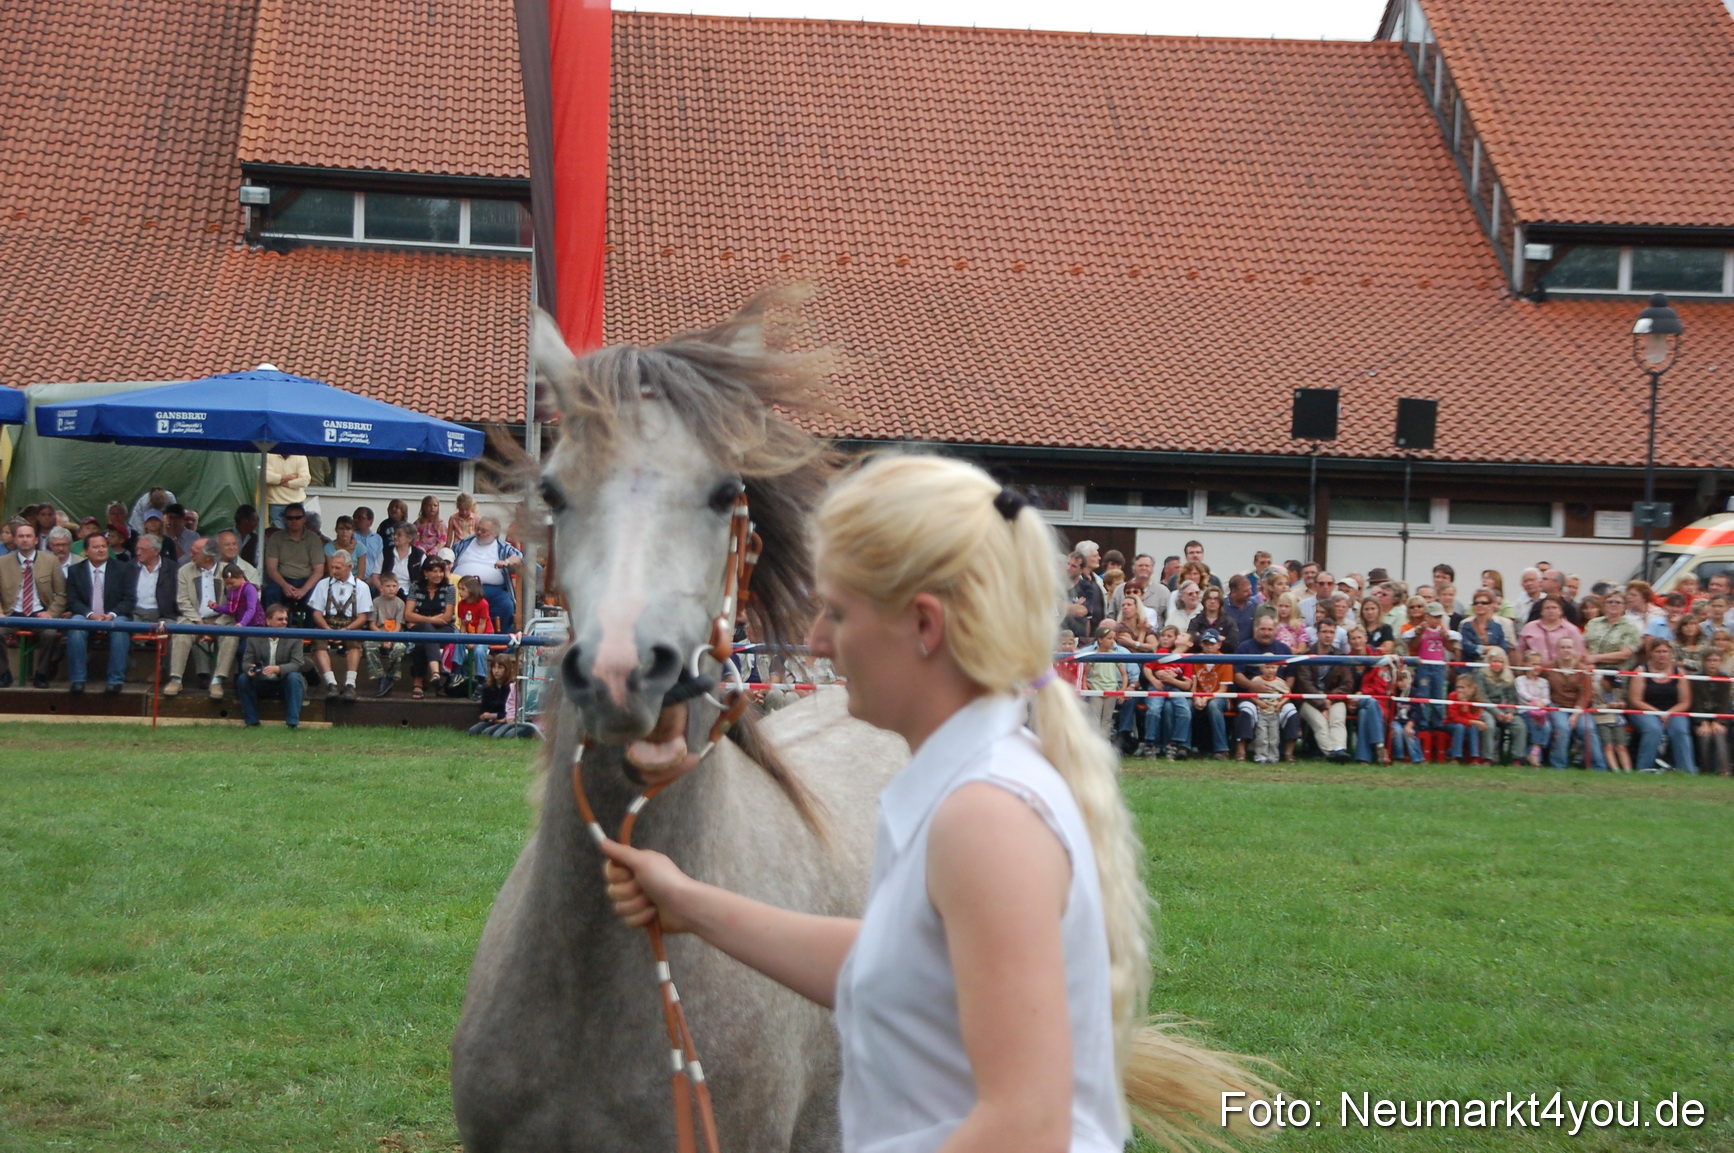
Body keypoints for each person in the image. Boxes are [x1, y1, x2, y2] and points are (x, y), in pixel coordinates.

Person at [596, 455, 1263, 1153]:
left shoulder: (986, 816)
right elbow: (896, 966)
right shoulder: (965, 785)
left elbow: (1026, 1127)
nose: (817, 641)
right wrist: (691, 905)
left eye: (837, 612)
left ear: (923, 624)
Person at [164, 538, 238, 699]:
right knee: (181, 632)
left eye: (194, 553)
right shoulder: (184, 570)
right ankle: (176, 679)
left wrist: (215, 627)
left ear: (208, 557)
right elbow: (183, 602)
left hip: (221, 619)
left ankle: (217, 681)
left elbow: (233, 605)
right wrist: (200, 624)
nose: (190, 555)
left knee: (231, 636)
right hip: (194, 618)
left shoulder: (228, 571)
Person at [63, 531, 135, 693]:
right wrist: (91, 615)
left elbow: (129, 600)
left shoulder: (123, 569)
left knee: (120, 628)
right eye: (96, 547)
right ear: (86, 551)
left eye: (104, 546)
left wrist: (111, 615)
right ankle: (77, 679)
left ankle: (115, 680)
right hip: (86, 615)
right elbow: (72, 600)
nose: (101, 550)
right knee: (75, 625)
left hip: (114, 615)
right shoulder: (75, 571)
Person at [0, 523, 67, 688]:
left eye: (28, 536)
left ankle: (42, 674)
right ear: (15, 540)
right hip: (11, 614)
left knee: (50, 634)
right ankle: (3, 673)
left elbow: (61, 594)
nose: (25, 540)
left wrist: (52, 612)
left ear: (36, 540)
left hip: (40, 613)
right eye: (21, 536)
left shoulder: (51, 561)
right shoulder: (2, 562)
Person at [307, 548, 372, 700]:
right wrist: (327, 630)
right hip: (327, 622)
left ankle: (350, 684)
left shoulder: (362, 587)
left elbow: (362, 618)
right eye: (332, 567)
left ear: (350, 567)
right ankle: (331, 683)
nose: (334, 571)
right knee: (318, 642)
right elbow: (317, 613)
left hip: (351, 624)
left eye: (338, 568)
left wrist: (346, 630)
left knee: (355, 643)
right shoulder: (323, 584)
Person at [1232, 613, 1297, 762]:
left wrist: (1283, 694)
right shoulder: (1244, 647)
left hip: (1278, 697)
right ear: (1256, 629)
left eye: (1269, 629)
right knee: (1246, 711)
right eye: (1263, 629)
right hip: (1250, 695)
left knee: (1291, 712)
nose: (1266, 633)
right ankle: (1241, 752)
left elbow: (1291, 675)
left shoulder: (1284, 649)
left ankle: (1289, 754)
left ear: (1275, 630)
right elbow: (1237, 675)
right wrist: (1253, 686)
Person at [236, 603, 307, 728]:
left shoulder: (294, 638)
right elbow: (246, 663)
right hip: (262, 681)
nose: (284, 622)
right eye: (280, 619)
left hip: (284, 682)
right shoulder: (254, 638)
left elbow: (297, 664)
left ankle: (292, 723)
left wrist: (278, 669)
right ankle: (252, 722)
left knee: (294, 677)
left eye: (286, 619)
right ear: (268, 621)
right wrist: (250, 669)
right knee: (243, 679)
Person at [1629, 641, 1695, 773]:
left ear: (1670, 653)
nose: (1661, 655)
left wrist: (1668, 713)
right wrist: (1658, 713)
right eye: (1658, 651)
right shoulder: (1641, 670)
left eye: (1665, 652)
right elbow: (1635, 700)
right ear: (1651, 653)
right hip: (1644, 710)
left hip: (1674, 711)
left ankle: (1687, 770)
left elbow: (1685, 702)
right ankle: (1644, 769)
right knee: (1653, 729)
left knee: (1680, 729)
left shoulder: (1679, 672)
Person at [1292, 620, 1354, 761]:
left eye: (1331, 632)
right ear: (1317, 634)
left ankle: (1339, 749)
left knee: (1337, 720)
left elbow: (1347, 684)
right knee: (1320, 723)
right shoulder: (1306, 655)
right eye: (1325, 631)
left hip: (1334, 698)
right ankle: (1331, 753)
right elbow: (1305, 684)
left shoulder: (1341, 656)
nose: (1328, 635)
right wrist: (1322, 704)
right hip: (1309, 700)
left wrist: (1329, 699)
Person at [452, 516, 524, 631]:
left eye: (483, 530)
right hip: (460, 587)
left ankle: (499, 639)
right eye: (477, 529)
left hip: (491, 590)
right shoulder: (464, 544)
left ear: (495, 533)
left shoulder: (502, 547)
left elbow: (518, 557)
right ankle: (455, 634)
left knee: (506, 605)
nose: (479, 532)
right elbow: (449, 555)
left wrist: (506, 562)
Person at [406, 556, 457, 698]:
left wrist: (420, 619)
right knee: (426, 629)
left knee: (422, 641)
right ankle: (435, 673)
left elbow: (447, 617)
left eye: (441, 571)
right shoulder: (416, 586)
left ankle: (418, 682)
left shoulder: (449, 588)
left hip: (444, 629)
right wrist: (431, 620)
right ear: (425, 572)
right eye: (434, 571)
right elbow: (408, 614)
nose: (438, 575)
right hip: (421, 628)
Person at [264, 502, 325, 612]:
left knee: (315, 599)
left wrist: (304, 590)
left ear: (304, 519)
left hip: (306, 581)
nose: (294, 521)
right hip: (282, 580)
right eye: (290, 518)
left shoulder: (314, 539)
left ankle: (309, 624)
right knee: (269, 593)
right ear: (285, 520)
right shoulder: (276, 538)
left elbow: (319, 571)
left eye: (298, 518)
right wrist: (284, 585)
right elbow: (271, 568)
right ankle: (272, 623)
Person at [1187, 629, 1233, 759]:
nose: (1209, 647)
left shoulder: (1226, 660)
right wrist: (1196, 697)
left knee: (1214, 706)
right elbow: (1193, 685)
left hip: (1219, 697)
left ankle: (1221, 749)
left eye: (1212, 643)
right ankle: (1183, 746)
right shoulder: (1196, 659)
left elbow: (1223, 690)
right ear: (1201, 644)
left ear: (1219, 644)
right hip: (1199, 696)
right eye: (1206, 643)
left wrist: (1206, 698)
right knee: (1186, 705)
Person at [1080, 622, 1129, 737]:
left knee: (1107, 719)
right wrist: (1085, 685)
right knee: (1095, 717)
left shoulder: (1115, 655)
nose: (1112, 641)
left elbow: (1124, 674)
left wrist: (1123, 689)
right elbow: (1084, 674)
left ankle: (1105, 741)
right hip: (1096, 690)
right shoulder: (1093, 655)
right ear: (1100, 640)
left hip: (1111, 690)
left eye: (1113, 639)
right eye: (1109, 638)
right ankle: (1095, 740)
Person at [365, 571, 409, 696]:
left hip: (394, 634)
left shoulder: (400, 603)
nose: (391, 589)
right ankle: (380, 677)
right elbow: (372, 624)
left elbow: (399, 625)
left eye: (394, 586)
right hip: (378, 633)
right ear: (382, 587)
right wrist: (383, 637)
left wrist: (390, 638)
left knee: (400, 648)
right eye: (388, 586)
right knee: (368, 645)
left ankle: (390, 677)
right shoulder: (376, 602)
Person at [1692, 647, 1731, 777]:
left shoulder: (1725, 678)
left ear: (1721, 662)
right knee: (1705, 736)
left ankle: (1724, 771)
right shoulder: (1696, 678)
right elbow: (1695, 702)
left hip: (1720, 717)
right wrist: (1702, 722)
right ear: (1703, 661)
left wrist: (1718, 721)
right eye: (1709, 660)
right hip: (1700, 717)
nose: (1712, 663)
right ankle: (1705, 770)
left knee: (1719, 735)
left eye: (1716, 660)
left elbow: (1725, 702)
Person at [1518, 596, 1583, 665]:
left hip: (1561, 669)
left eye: (1554, 607)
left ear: (1561, 611)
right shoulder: (1529, 627)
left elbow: (1579, 654)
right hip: (1535, 669)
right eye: (1547, 608)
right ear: (1541, 612)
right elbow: (1519, 651)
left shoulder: (1571, 629)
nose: (1551, 611)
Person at [1515, 651, 1553, 766]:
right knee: (1535, 725)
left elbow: (1547, 698)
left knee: (1547, 727)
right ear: (1526, 665)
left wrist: (1542, 703)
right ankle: (1535, 756)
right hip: (1525, 710)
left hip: (1540, 711)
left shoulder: (1544, 682)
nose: (1537, 667)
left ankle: (1533, 753)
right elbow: (1522, 693)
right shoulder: (1520, 680)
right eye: (1533, 664)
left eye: (1539, 664)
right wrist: (1534, 701)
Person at [1458, 590, 1508, 662]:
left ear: (1491, 605)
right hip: (1471, 665)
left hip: (1491, 666)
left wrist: (1479, 648)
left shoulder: (1497, 627)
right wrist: (1490, 649)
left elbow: (1503, 648)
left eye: (1484, 603)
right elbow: (1467, 647)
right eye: (1476, 603)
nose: (1479, 605)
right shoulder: (1466, 625)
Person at [1186, 583, 1238, 651]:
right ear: (1204, 601)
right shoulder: (1195, 621)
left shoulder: (1229, 622)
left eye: (1216, 599)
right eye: (1209, 598)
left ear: (1220, 601)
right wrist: (1218, 638)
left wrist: (1202, 638)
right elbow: (1191, 641)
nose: (1212, 601)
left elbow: (1232, 644)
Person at [265, 453, 312, 528]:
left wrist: (285, 483)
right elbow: (266, 477)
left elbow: (305, 481)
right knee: (277, 534)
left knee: (296, 533)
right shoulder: (269, 456)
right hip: (276, 503)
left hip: (296, 503)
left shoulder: (301, 457)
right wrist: (291, 477)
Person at [1444, 674, 1482, 762]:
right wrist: (1473, 721)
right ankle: (1455, 757)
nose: (1459, 690)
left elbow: (1475, 717)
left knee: (1473, 728)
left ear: (1472, 688)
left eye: (1462, 687)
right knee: (1459, 727)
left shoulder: (1478, 700)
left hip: (1468, 725)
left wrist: (1465, 708)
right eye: (1458, 687)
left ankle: (1474, 757)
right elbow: (1454, 718)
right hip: (1451, 723)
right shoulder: (1452, 696)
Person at [212, 563, 264, 628]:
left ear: (240, 577)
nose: (229, 586)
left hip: (255, 624)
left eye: (232, 583)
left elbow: (251, 609)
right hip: (240, 624)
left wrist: (242, 623)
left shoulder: (249, 589)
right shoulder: (232, 590)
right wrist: (216, 607)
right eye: (227, 584)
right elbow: (230, 609)